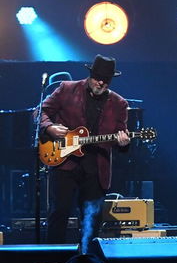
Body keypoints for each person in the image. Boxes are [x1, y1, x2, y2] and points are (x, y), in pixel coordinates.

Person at [38, 55, 131, 250]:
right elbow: (41, 112)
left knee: (91, 220)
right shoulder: (66, 88)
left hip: (96, 168)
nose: (101, 82)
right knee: (59, 213)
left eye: (106, 79)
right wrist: (49, 128)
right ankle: (51, 261)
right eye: (98, 77)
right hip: (64, 162)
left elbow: (121, 137)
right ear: (91, 74)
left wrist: (123, 143)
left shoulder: (119, 103)